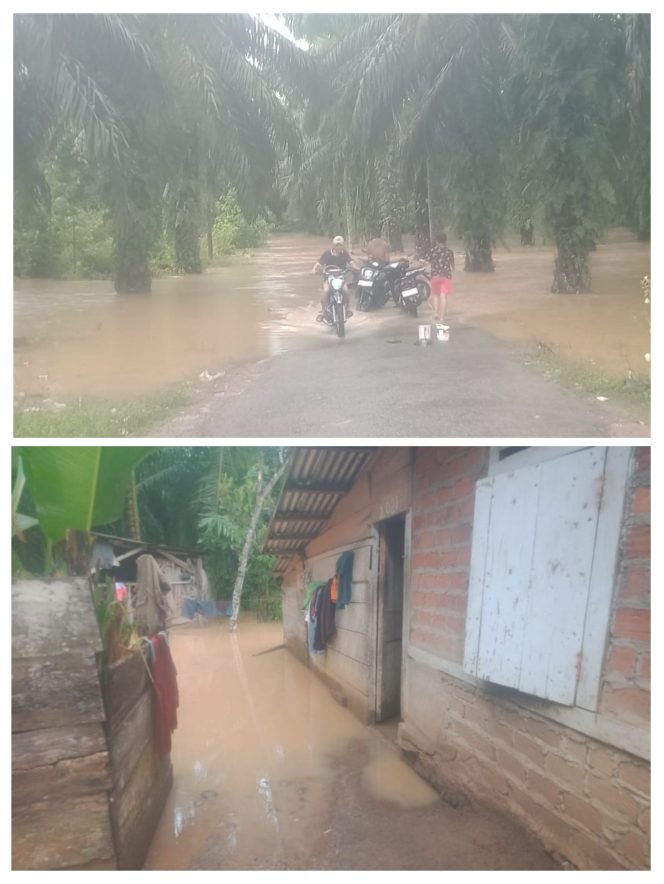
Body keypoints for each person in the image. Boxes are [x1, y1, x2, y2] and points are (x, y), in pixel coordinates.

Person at [312, 235, 355, 319]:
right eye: (337, 245)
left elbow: (352, 262)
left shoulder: (345, 254)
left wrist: (355, 268)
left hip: (341, 278)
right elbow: (318, 264)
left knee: (346, 291)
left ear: (343, 246)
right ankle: (324, 312)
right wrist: (314, 269)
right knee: (326, 291)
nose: (339, 247)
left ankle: (347, 309)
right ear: (333, 246)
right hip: (328, 278)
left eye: (340, 245)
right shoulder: (327, 254)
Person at [419, 232, 455, 323]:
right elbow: (453, 266)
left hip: (435, 276)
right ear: (445, 241)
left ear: (437, 241)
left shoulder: (433, 251)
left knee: (435, 295)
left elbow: (426, 261)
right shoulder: (449, 252)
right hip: (446, 276)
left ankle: (435, 314)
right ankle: (442, 318)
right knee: (443, 296)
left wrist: (421, 261)